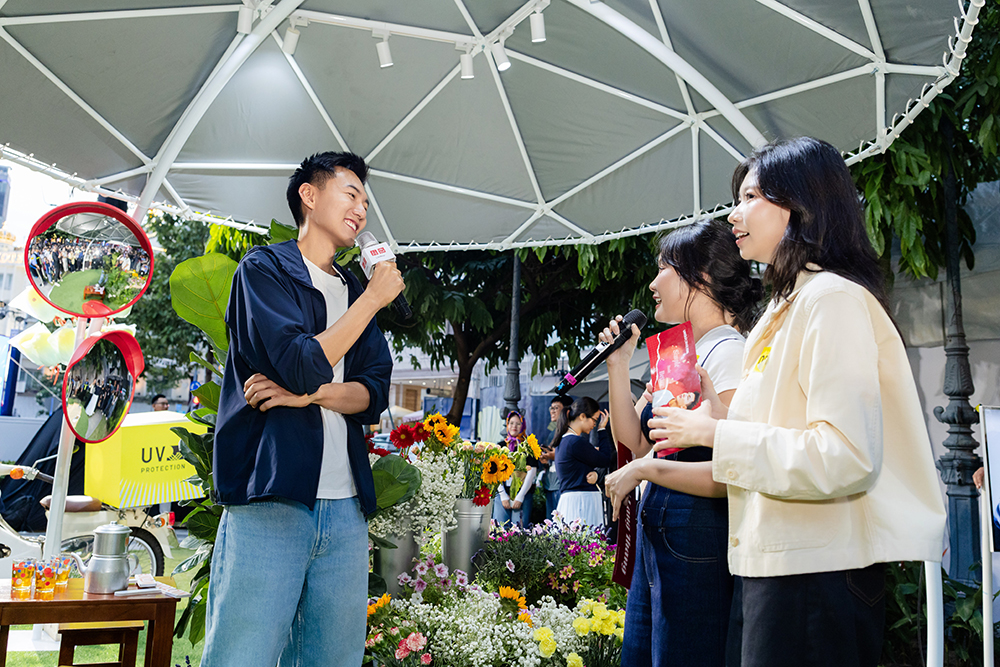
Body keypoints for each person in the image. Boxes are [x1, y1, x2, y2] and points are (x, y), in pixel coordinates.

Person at [650, 137, 946, 667]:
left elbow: (844, 456)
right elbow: (781, 432)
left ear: (801, 205)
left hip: (816, 577)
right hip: (778, 567)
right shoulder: (786, 309)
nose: (734, 214)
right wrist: (720, 417)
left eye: (750, 197)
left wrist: (717, 434)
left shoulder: (831, 300)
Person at [201, 151, 403, 667]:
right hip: (272, 499)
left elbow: (372, 393)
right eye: (350, 194)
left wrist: (308, 396)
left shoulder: (355, 290)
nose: (361, 209)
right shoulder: (265, 270)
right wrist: (371, 302)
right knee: (241, 655)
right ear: (309, 197)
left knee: (332, 659)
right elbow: (298, 362)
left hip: (346, 509)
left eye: (365, 200)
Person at [601, 217, 761, 667]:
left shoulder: (728, 354)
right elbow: (633, 440)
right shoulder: (678, 354)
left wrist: (645, 469)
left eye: (664, 269)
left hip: (696, 531)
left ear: (702, 278)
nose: (652, 284)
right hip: (664, 528)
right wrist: (618, 366)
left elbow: (730, 472)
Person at [553, 397, 615, 526]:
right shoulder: (575, 442)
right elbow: (605, 459)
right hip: (582, 501)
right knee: (586, 544)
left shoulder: (565, 441)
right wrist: (602, 429)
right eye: (595, 420)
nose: (595, 424)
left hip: (571, 501)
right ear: (582, 416)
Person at [493, 410, 537, 529]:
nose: (514, 426)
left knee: (519, 532)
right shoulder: (501, 446)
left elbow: (532, 472)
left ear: (523, 425)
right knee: (499, 530)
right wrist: (502, 495)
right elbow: (494, 471)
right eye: (511, 423)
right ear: (507, 425)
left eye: (518, 423)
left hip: (523, 494)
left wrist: (520, 496)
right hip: (502, 493)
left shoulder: (528, 446)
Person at [539, 395, 573, 519]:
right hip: (550, 483)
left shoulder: (570, 432)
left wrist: (554, 456)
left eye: (556, 408)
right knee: (551, 524)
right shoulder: (552, 433)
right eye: (551, 408)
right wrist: (546, 460)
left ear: (567, 411)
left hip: (562, 485)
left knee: (562, 524)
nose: (552, 411)